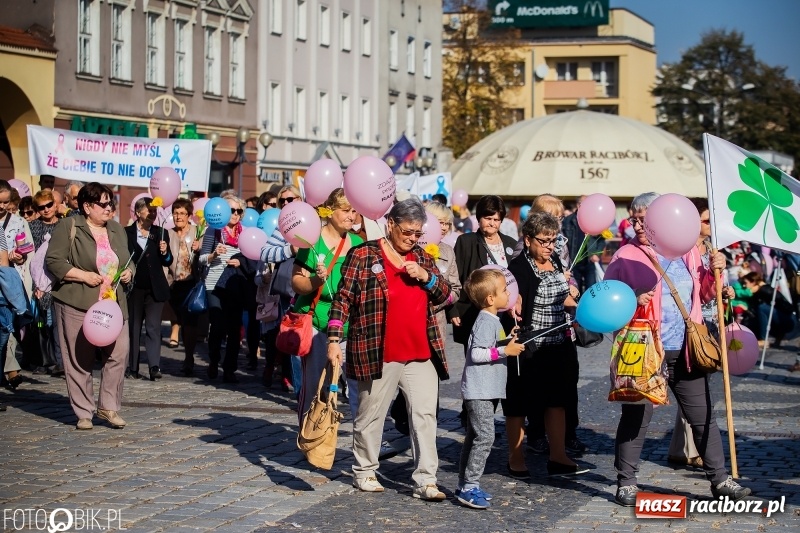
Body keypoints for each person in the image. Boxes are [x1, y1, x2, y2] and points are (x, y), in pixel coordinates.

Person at [603, 191, 751, 506]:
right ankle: (626, 482)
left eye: (645, 218)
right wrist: (632, 299)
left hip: (686, 348)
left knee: (703, 417)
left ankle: (721, 480)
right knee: (636, 417)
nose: (639, 224)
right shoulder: (625, 256)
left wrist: (715, 271)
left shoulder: (688, 252)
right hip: (643, 349)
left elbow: (707, 294)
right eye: (634, 218)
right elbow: (605, 305)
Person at [326, 199, 451, 500]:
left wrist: (427, 277)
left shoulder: (423, 256)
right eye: (408, 231)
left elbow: (446, 295)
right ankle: (365, 470)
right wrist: (333, 340)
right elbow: (342, 300)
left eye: (418, 233)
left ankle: (426, 479)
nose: (413, 238)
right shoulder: (364, 254)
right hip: (377, 350)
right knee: (371, 415)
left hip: (420, 351)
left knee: (424, 415)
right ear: (391, 224)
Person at [506, 212, 588, 478]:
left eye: (553, 240)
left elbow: (561, 297)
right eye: (544, 241)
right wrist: (511, 306)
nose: (550, 246)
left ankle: (558, 455)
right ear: (528, 239)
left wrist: (580, 305)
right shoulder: (518, 269)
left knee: (558, 400)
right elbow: (508, 303)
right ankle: (516, 457)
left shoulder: (553, 260)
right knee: (520, 403)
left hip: (558, 342)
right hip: (529, 346)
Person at [45, 183, 133, 430]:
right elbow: (54, 260)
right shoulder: (69, 226)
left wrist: (128, 272)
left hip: (112, 303)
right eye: (103, 204)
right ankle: (84, 412)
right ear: (87, 206)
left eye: (111, 203)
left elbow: (127, 259)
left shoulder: (117, 229)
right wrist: (83, 276)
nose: (109, 209)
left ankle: (108, 407)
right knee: (79, 359)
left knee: (119, 353)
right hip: (77, 301)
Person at [668, 198, 735, 468]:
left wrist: (723, 286)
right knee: (692, 389)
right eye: (706, 221)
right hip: (685, 327)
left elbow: (709, 291)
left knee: (696, 390)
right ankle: (692, 450)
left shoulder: (710, 249)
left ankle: (682, 448)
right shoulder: (679, 250)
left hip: (706, 325)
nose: (710, 225)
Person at [391, 201, 461, 434]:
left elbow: (454, 290)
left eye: (446, 223)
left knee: (429, 379)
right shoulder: (402, 249)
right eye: (437, 222)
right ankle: (402, 411)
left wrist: (436, 299)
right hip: (404, 323)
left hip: (434, 324)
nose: (442, 227)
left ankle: (424, 427)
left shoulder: (447, 252)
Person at [456, 268, 524, 509]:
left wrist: (507, 341)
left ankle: (465, 484)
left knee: (474, 436)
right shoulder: (486, 320)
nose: (509, 293)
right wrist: (507, 351)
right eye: (504, 290)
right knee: (485, 437)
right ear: (490, 299)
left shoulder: (492, 319)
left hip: (487, 388)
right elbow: (476, 354)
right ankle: (470, 486)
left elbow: (489, 346)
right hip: (480, 390)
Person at [293, 188, 363, 420]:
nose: (351, 216)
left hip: (348, 327)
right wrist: (316, 279)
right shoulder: (311, 240)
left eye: (354, 211)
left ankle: (363, 443)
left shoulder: (357, 243)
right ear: (330, 211)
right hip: (318, 326)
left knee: (358, 389)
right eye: (346, 210)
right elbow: (297, 283)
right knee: (314, 386)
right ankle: (308, 435)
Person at [451, 196, 518, 349]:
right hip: (474, 312)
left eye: (496, 219)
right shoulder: (466, 242)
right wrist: (453, 310)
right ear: (479, 218)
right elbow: (455, 276)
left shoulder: (511, 244)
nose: (492, 223)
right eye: (488, 218)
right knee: (478, 358)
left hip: (505, 315)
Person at [199, 194, 253, 383]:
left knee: (234, 328)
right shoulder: (213, 231)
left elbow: (252, 256)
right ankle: (214, 360)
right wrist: (213, 255)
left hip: (234, 285)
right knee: (218, 326)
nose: (235, 214)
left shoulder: (246, 233)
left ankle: (229, 368)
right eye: (232, 210)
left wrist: (241, 261)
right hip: (214, 285)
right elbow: (201, 258)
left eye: (239, 211)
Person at [260, 185, 303, 393]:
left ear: (301, 199)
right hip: (290, 290)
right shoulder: (282, 227)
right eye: (282, 201)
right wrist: (289, 249)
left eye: (290, 199)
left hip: (315, 287)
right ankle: (300, 390)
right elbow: (265, 253)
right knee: (296, 341)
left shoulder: (314, 220)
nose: (286, 204)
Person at [125, 198, 172, 381]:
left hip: (155, 288)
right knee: (134, 328)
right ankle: (133, 367)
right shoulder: (126, 233)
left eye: (154, 211)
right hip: (134, 288)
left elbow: (168, 261)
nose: (153, 214)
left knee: (153, 328)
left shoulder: (161, 233)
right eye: (149, 210)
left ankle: (154, 366)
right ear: (138, 213)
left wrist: (165, 252)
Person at [0, 181, 32, 388]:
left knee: (7, 329)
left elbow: (27, 250)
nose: (2, 206)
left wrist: (18, 257)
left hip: (11, 282)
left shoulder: (18, 222)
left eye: (5, 202)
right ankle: (11, 371)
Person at [165, 199, 203, 376]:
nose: (178, 216)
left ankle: (189, 358)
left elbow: (205, 256)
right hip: (173, 283)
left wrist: (200, 247)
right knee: (177, 318)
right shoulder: (168, 234)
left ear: (189, 216)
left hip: (191, 283)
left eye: (182, 213)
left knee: (189, 323)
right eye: (175, 213)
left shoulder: (197, 232)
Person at [29, 190, 64, 376]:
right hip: (40, 282)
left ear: (55, 204)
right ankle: (43, 359)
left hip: (60, 281)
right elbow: (30, 258)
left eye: (49, 205)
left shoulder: (64, 225)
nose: (46, 210)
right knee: (43, 323)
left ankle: (59, 362)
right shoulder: (33, 227)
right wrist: (36, 285)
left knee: (58, 323)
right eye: (41, 207)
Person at [740, 271, 796, 348]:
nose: (744, 286)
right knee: (759, 313)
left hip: (789, 320)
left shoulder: (765, 290)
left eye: (745, 283)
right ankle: (777, 340)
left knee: (762, 308)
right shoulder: (759, 292)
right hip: (784, 320)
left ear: (753, 282)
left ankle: (763, 340)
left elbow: (785, 307)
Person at [562, 195, 606, 294]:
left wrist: (597, 254)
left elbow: (601, 240)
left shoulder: (595, 220)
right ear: (579, 205)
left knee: (591, 290)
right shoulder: (568, 221)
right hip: (573, 262)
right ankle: (576, 309)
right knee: (575, 291)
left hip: (589, 261)